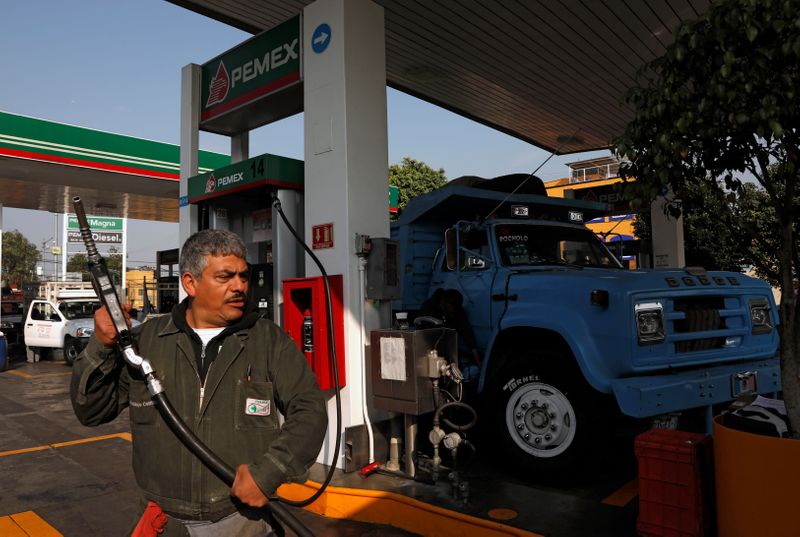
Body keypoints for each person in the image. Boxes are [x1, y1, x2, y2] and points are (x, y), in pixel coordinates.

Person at [70, 229, 327, 537]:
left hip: (243, 522)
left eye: (243, 277)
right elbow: (92, 411)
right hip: (163, 523)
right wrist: (100, 345)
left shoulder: (268, 341)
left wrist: (269, 471)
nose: (239, 287)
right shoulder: (148, 342)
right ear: (190, 283)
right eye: (225, 277)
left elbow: (310, 410)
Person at [418, 288, 482, 378]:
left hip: (451, 349)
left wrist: (478, 362)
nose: (452, 313)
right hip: (430, 350)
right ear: (444, 303)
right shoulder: (428, 309)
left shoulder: (457, 311)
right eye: (450, 311)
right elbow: (422, 334)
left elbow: (469, 336)